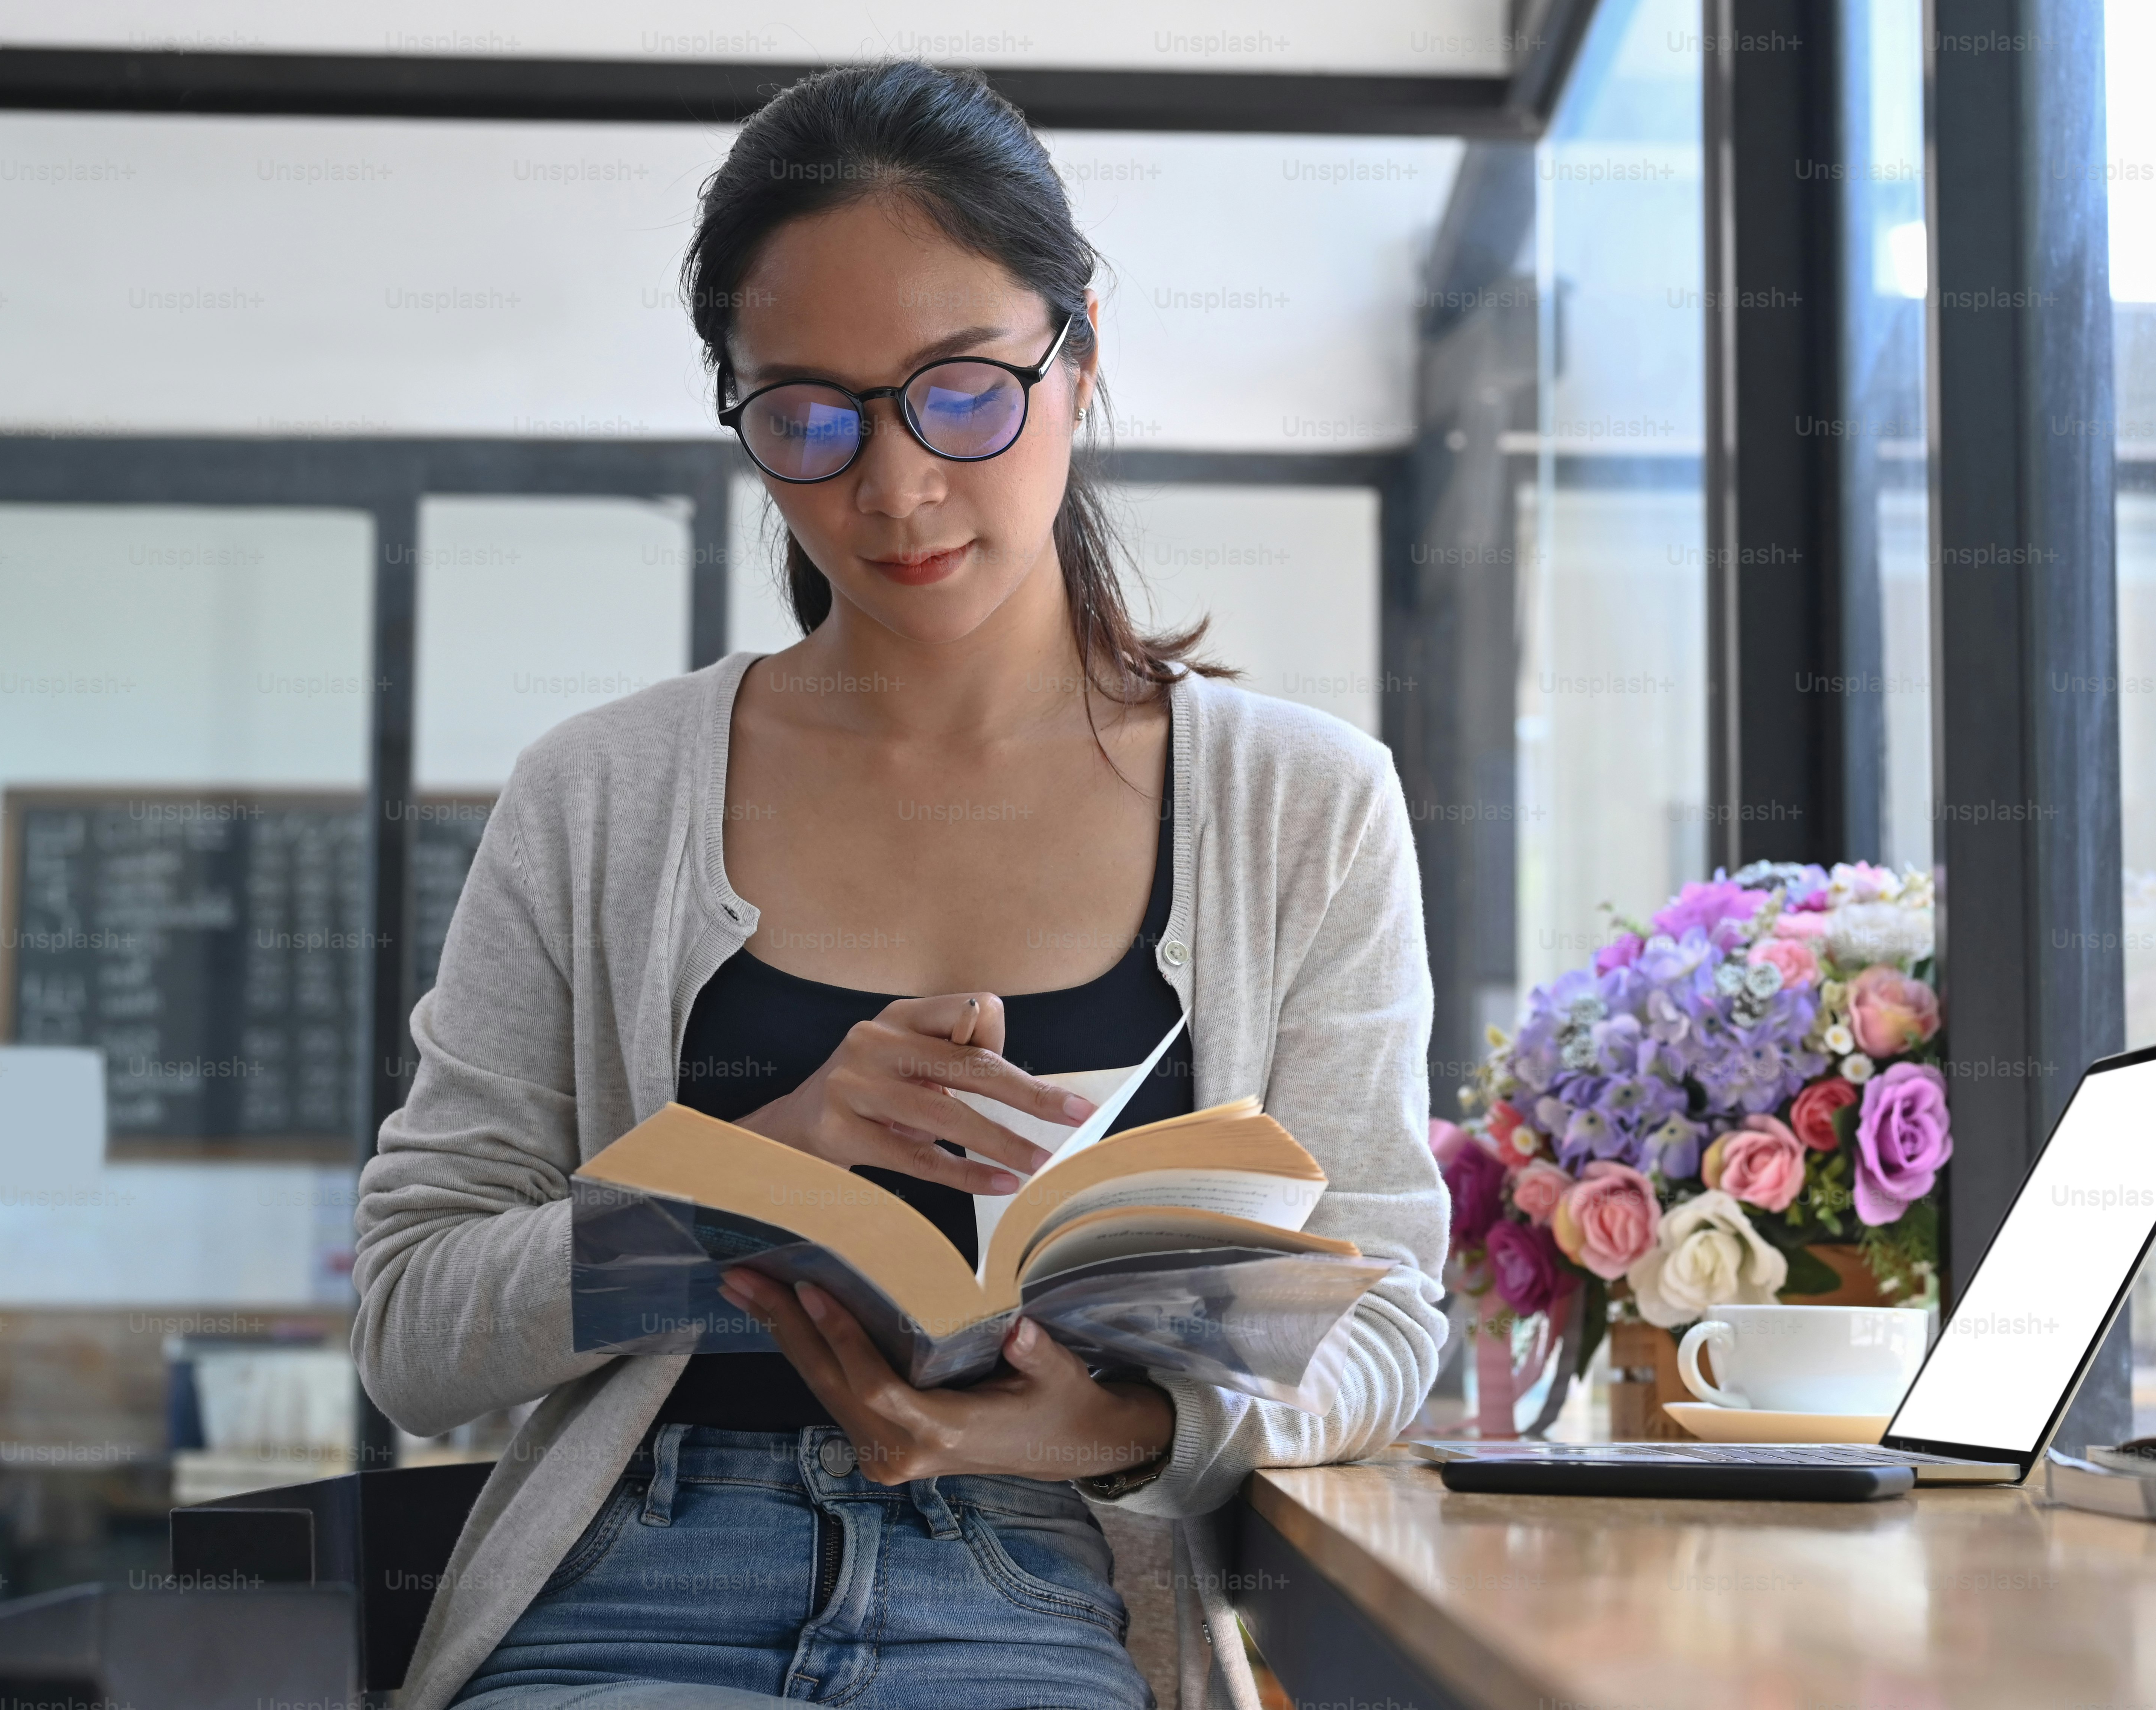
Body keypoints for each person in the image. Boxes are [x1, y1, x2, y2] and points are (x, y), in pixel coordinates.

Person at [351, 61, 1449, 1710]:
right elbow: (414, 1324)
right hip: (633, 1585)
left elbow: (1386, 1323)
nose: (893, 485)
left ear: (1078, 352)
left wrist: (1129, 1424)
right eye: (807, 412)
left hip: (1048, 1580)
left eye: (959, 389)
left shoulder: (1304, 804)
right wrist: (731, 1180)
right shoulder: (602, 791)